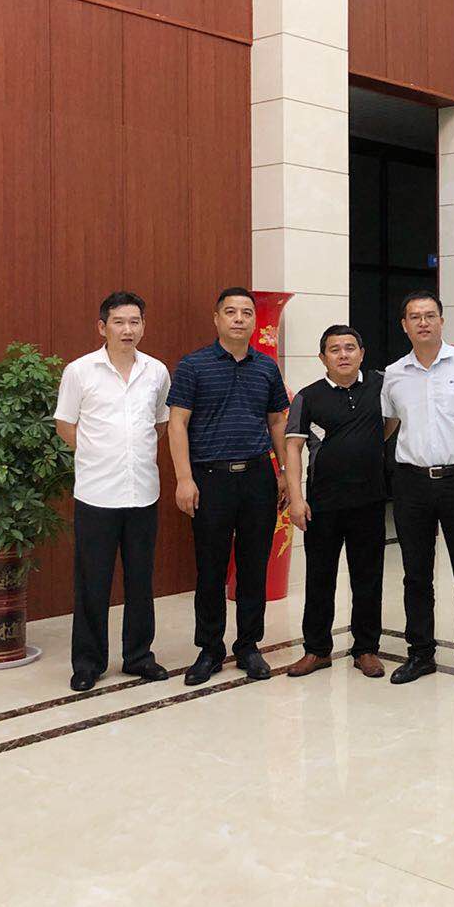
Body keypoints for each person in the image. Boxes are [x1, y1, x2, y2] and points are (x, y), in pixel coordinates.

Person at [167, 287, 290, 686]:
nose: (239, 319)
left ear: (254, 321)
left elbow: (277, 421)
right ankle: (209, 649)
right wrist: (184, 478)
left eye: (246, 313)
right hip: (210, 478)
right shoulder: (194, 365)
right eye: (231, 312)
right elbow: (177, 423)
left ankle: (249, 645)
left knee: (254, 565)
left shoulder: (266, 367)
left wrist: (284, 472)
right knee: (211, 567)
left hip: (257, 477)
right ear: (216, 318)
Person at [53, 291, 172, 692]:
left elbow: (159, 424)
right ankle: (88, 662)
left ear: (143, 326)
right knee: (92, 582)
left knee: (141, 580)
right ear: (102, 327)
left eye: (135, 321)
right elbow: (65, 425)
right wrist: (97, 454)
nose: (127, 329)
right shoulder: (80, 371)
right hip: (97, 494)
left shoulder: (156, 371)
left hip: (143, 492)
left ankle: (139, 656)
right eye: (119, 322)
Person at [380, 289, 454, 689]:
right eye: (415, 317)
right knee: (415, 573)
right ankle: (420, 653)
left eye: (430, 315)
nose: (423, 322)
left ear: (442, 320)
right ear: (404, 325)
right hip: (411, 483)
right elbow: (388, 425)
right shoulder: (394, 374)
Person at [284, 325, 388, 680]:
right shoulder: (308, 397)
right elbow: (293, 448)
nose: (343, 355)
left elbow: (390, 424)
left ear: (361, 353)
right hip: (322, 504)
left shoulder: (380, 385)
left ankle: (366, 649)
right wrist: (296, 499)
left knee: (368, 578)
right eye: (334, 349)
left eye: (349, 347)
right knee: (320, 578)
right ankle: (316, 650)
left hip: (369, 500)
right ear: (322, 357)